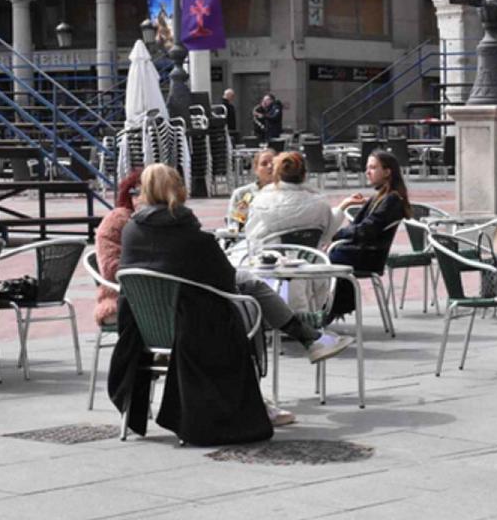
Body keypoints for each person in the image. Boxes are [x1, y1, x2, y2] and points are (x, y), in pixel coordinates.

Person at [108, 164, 273, 444]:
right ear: (180, 191)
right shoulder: (194, 237)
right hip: (190, 331)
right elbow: (226, 280)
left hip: (144, 330)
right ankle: (253, 403)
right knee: (242, 310)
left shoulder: (131, 232)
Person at [245, 151, 346, 313]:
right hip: (312, 266)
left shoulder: (262, 201)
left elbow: (252, 235)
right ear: (305, 174)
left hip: (275, 267)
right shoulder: (320, 203)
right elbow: (327, 234)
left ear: (276, 174)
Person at [326, 150, 412, 322]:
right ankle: (328, 308)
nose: (367, 172)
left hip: (368, 256)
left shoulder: (392, 199)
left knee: (321, 262)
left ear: (387, 172)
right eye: (367, 168)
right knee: (321, 258)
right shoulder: (380, 197)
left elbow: (367, 229)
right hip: (362, 251)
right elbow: (359, 227)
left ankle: (327, 310)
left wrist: (335, 236)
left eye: (373, 167)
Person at [93, 169, 143, 327]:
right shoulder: (118, 220)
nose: (140, 197)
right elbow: (110, 268)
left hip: (161, 296)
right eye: (135, 192)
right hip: (119, 297)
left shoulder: (166, 219)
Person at [228, 149, 276, 228]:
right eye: (264, 164)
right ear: (256, 169)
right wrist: (242, 213)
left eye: (273, 163)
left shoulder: (287, 192)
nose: (270, 166)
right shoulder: (243, 194)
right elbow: (234, 224)